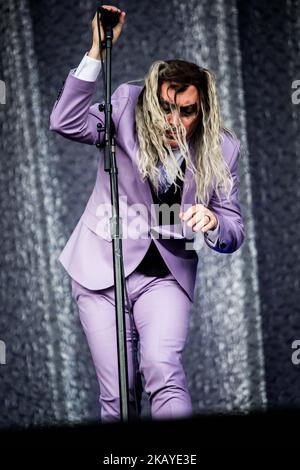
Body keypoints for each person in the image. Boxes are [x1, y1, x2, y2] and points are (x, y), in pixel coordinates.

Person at [49, 5, 245, 423]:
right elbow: (65, 121)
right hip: (100, 270)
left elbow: (233, 228)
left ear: (202, 110)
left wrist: (213, 222)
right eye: (165, 108)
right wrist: (97, 51)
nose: (174, 121)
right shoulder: (123, 106)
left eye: (187, 111)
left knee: (163, 370)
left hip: (165, 275)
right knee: (119, 397)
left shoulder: (222, 148)